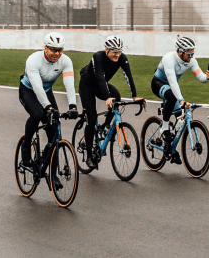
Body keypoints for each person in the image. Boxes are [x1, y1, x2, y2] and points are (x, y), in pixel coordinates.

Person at [79, 35, 146, 170]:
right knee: (91, 120)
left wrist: (134, 96)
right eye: (114, 52)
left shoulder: (122, 58)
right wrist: (107, 97)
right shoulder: (97, 57)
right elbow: (100, 78)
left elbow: (128, 76)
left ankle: (105, 125)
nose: (117, 55)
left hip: (101, 85)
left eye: (119, 51)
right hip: (88, 86)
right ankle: (89, 157)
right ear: (106, 49)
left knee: (117, 97)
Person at [19, 32, 78, 185]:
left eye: (60, 50)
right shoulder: (33, 60)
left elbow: (69, 84)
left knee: (55, 130)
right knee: (38, 114)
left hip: (46, 92)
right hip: (29, 90)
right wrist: (48, 107)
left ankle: (51, 171)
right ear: (45, 48)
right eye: (53, 50)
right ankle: (26, 147)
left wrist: (73, 105)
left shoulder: (66, 61)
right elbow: (37, 87)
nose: (56, 54)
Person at [152, 36, 209, 164]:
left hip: (171, 88)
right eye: (189, 53)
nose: (191, 56)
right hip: (158, 83)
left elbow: (201, 77)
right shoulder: (169, 58)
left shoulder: (191, 61)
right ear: (180, 51)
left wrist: (207, 77)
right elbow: (172, 81)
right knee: (172, 96)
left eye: (193, 53)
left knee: (181, 116)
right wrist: (181, 100)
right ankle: (164, 128)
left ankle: (171, 149)